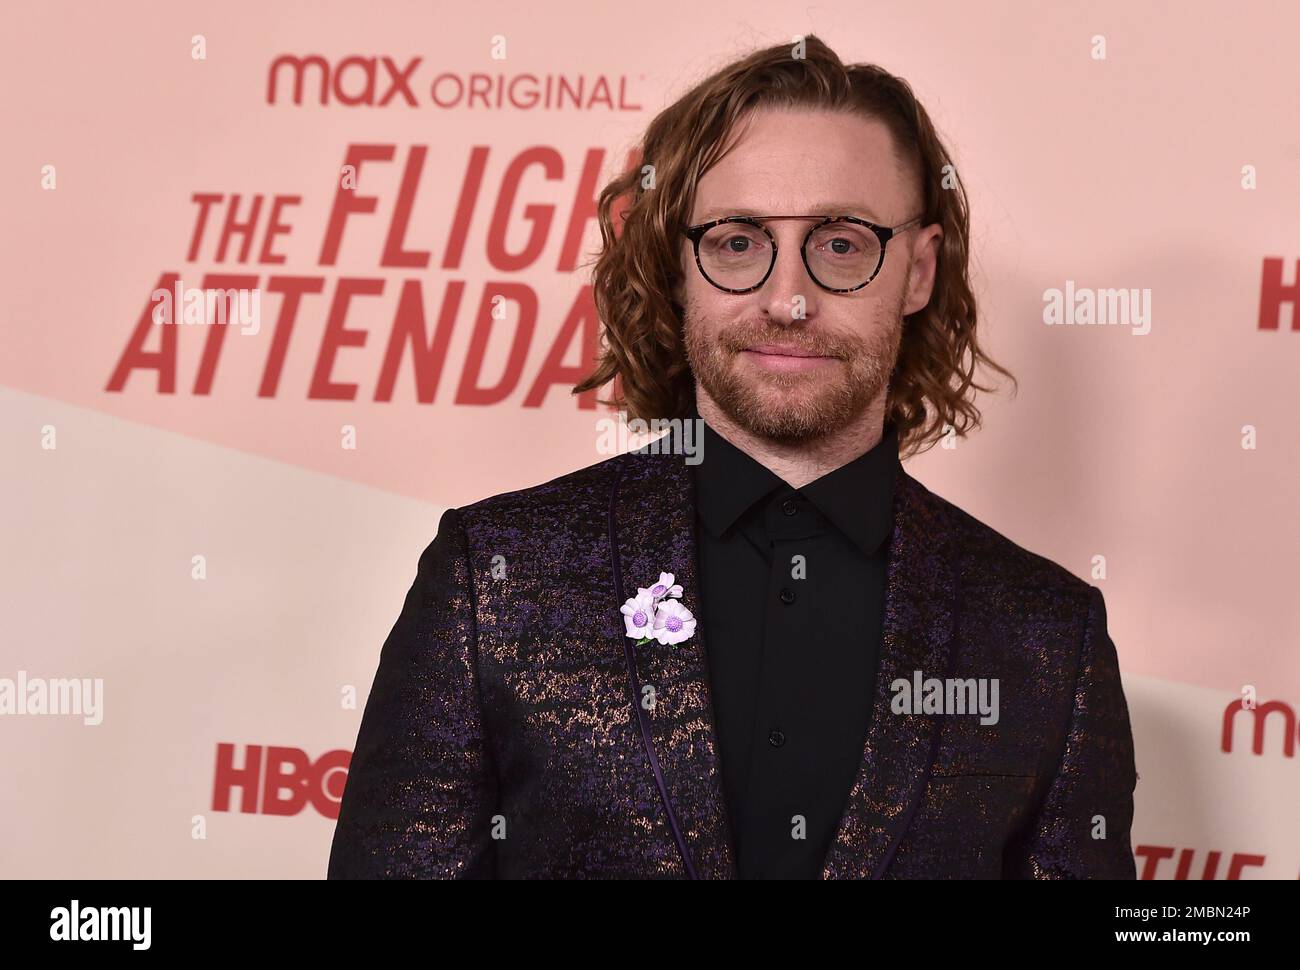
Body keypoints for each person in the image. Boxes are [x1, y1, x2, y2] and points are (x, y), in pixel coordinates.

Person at [327, 35, 1138, 879]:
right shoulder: (493, 578)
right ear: (679, 264)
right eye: (739, 241)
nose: (789, 300)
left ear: (920, 270)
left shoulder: (1046, 634)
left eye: (842, 243)